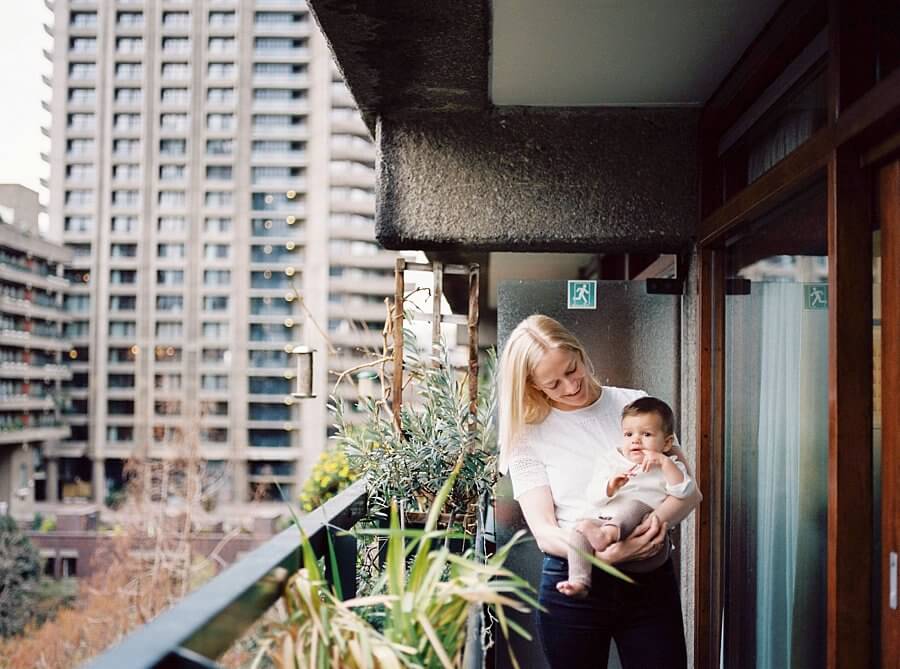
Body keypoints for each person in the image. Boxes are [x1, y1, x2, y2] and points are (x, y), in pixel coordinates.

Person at [499, 314, 701, 669]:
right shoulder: (526, 435)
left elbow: (688, 491)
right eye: (553, 383)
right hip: (574, 583)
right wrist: (607, 556)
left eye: (572, 369)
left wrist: (657, 521)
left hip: (648, 580)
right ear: (532, 385)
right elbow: (545, 531)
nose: (570, 386)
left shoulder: (636, 405)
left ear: (579, 352)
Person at [556, 396, 696, 598]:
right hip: (606, 529)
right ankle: (579, 581)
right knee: (579, 530)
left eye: (646, 434)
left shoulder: (670, 465)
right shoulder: (611, 461)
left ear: (667, 443)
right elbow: (593, 497)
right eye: (628, 434)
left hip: (648, 544)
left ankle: (607, 536)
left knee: (634, 505)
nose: (635, 440)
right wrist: (610, 487)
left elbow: (684, 492)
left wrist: (665, 464)